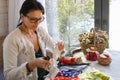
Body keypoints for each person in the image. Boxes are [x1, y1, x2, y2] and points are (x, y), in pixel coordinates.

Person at [3, 0, 64, 80]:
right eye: (33, 19)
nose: (37, 23)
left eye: (40, 19)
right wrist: (32, 64)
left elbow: (54, 47)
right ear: (22, 16)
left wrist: (59, 47)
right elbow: (9, 75)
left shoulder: (40, 31)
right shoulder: (12, 40)